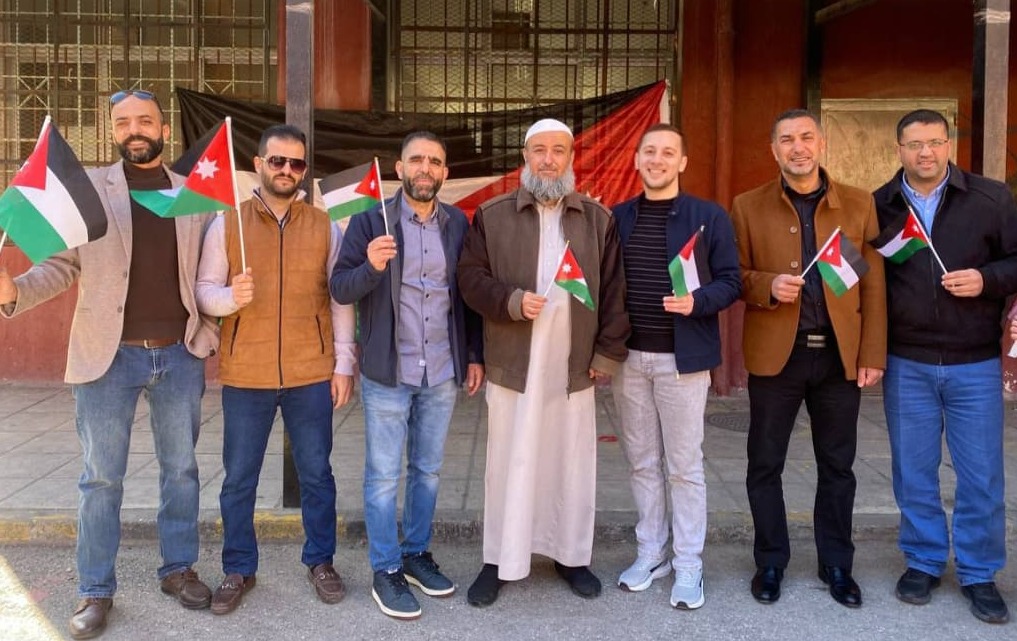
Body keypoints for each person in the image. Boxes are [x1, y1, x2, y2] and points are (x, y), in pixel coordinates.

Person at [0, 89, 220, 639]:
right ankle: (95, 590)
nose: (134, 129)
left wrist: (212, 328)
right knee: (101, 479)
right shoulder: (91, 191)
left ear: (164, 129)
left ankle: (178, 569)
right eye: (123, 122)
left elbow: (212, 269)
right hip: (107, 356)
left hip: (179, 353)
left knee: (182, 470)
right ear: (114, 131)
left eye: (145, 120)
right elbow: (60, 266)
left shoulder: (192, 194)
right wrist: (13, 292)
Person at [457, 118, 630, 607]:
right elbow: (469, 279)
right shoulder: (492, 215)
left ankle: (571, 556)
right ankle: (500, 559)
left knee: (570, 463)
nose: (548, 160)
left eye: (558, 150)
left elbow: (615, 293)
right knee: (508, 462)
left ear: (571, 158)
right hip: (514, 362)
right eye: (539, 150)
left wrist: (607, 354)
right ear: (525, 157)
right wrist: (511, 301)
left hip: (573, 367)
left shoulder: (597, 218)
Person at [194, 124, 356, 615]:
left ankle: (321, 561)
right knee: (239, 478)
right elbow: (203, 290)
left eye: (296, 163)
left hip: (310, 372)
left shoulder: (324, 226)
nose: (287, 169)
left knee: (317, 475)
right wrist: (230, 297)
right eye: (277, 160)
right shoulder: (227, 223)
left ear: (304, 170)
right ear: (259, 164)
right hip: (247, 373)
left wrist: (343, 363)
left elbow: (339, 299)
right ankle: (239, 567)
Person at [730, 109, 886, 609]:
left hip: (839, 356)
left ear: (821, 145)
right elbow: (733, 274)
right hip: (777, 355)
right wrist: (766, 284)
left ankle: (837, 563)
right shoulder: (747, 205)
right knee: (765, 463)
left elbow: (872, 286)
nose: (797, 147)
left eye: (806, 137)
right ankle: (770, 561)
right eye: (786, 140)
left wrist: (872, 352)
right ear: (773, 150)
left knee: (837, 466)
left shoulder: (858, 204)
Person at [330, 130, 484, 620]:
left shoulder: (458, 224)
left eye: (434, 162)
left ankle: (416, 554)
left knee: (428, 471)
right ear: (399, 169)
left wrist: (474, 354)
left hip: (441, 370)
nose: (425, 168)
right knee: (382, 476)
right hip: (388, 373)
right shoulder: (370, 220)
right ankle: (387, 569)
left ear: (445, 173)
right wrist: (372, 267)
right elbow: (340, 288)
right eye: (416, 159)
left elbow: (468, 296)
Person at [875, 109, 1017, 624]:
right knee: (913, 472)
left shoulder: (990, 198)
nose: (925, 153)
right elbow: (870, 282)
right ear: (899, 149)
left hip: (973, 362)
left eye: (934, 142)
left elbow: (1016, 260)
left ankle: (979, 571)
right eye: (914, 144)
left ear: (949, 143)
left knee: (981, 475)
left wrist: (986, 279)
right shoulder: (881, 205)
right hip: (906, 360)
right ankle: (924, 560)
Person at [610, 123, 741, 609]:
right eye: (650, 151)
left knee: (684, 467)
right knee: (642, 463)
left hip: (683, 361)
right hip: (630, 360)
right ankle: (651, 554)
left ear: (682, 162)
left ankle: (688, 563)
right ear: (637, 160)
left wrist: (697, 301)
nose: (658, 160)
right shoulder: (618, 217)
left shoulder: (708, 217)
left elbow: (731, 281)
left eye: (668, 152)